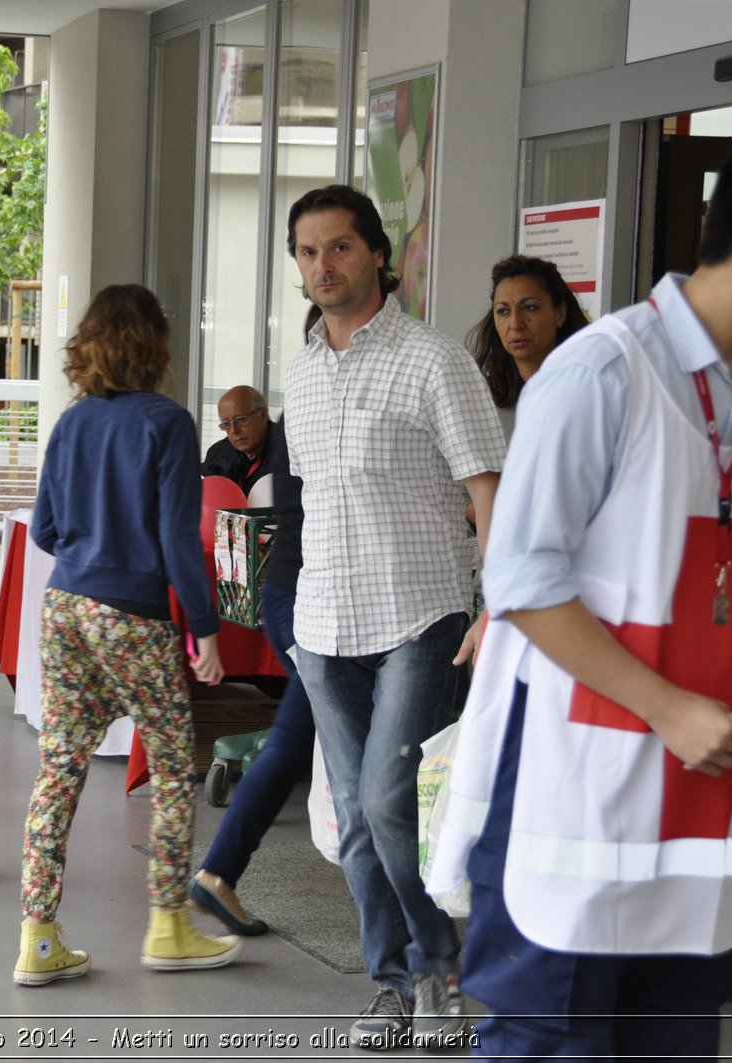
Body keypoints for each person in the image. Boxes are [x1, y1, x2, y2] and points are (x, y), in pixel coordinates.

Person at [428, 125, 732, 1060]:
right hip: (572, 798)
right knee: (549, 1044)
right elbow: (521, 578)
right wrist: (672, 707)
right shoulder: (602, 373)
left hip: (690, 825)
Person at [282, 184, 505, 1049]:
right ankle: (393, 984)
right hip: (325, 621)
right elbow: (311, 500)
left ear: (378, 253)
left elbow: (487, 491)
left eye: (338, 248)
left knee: (387, 801)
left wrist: (494, 605)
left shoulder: (432, 359)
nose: (322, 266)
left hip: (420, 611)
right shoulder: (299, 371)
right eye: (306, 252)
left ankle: (439, 969)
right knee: (354, 824)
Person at [14, 284, 240, 986]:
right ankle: (168, 927)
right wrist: (203, 629)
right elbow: (178, 537)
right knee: (174, 767)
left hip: (64, 607)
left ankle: (38, 939)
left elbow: (45, 529)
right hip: (132, 615)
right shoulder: (167, 423)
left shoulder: (72, 423)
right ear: (155, 343)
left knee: (59, 769)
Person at [189, 407, 310, 936]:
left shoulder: (292, 427)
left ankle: (217, 873)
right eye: (225, 422)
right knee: (303, 736)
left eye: (242, 419)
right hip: (311, 594)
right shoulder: (307, 421)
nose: (233, 431)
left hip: (290, 591)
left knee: (301, 735)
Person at [464, 254, 590, 438]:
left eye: (530, 307)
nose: (515, 323)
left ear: (560, 314)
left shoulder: (590, 390)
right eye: (503, 311)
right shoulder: (484, 404)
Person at [201, 385, 272, 493]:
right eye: (226, 424)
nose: (234, 430)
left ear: (262, 415)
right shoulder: (219, 453)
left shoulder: (285, 450)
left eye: (240, 420)